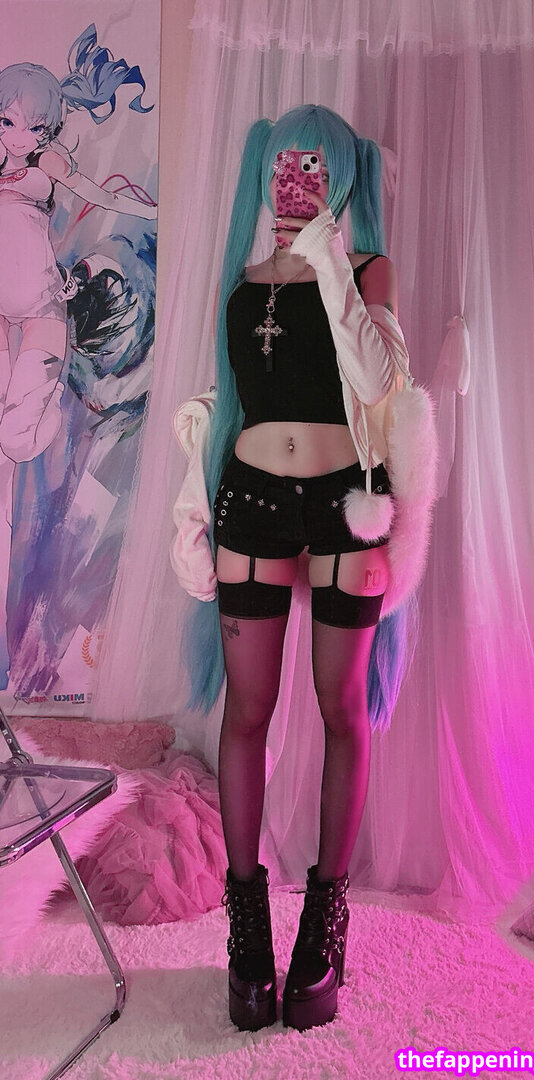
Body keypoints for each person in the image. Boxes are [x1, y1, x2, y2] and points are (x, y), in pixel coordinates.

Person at [171, 103, 436, 1033]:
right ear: (265, 172)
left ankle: (323, 923)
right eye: (286, 167)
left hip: (344, 505)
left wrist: (327, 255)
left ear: (340, 178)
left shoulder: (365, 271)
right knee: (246, 712)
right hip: (250, 497)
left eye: (315, 169)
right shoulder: (240, 281)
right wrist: (191, 498)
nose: (296, 185)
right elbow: (226, 403)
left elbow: (377, 382)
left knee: (339, 708)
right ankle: (247, 932)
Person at [0, 25, 155, 465]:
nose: (18, 137)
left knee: (17, 441)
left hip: (41, 304)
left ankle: (49, 406)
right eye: (7, 122)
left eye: (34, 127)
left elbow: (102, 196)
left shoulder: (46, 162)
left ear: (47, 130)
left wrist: (153, 211)